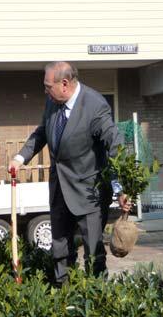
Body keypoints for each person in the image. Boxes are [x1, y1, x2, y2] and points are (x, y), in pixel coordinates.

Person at [9, 61, 131, 284]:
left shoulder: (95, 106)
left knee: (94, 252)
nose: (45, 91)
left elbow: (115, 145)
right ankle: (62, 296)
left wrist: (121, 187)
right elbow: (42, 132)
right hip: (59, 188)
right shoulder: (52, 102)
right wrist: (20, 158)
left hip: (89, 192)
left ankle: (96, 298)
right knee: (60, 249)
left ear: (64, 84)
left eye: (48, 86)